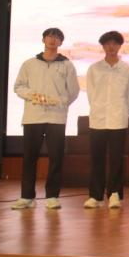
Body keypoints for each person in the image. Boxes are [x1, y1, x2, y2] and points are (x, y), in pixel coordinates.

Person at [11, 27, 80, 210]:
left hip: (56, 118)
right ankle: (27, 196)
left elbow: (73, 91)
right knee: (29, 158)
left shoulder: (67, 65)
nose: (52, 40)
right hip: (33, 117)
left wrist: (59, 102)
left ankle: (52, 196)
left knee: (56, 158)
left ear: (61, 42)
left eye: (56, 37)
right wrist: (33, 95)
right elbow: (18, 87)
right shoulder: (29, 64)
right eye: (49, 36)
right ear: (43, 40)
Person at [85, 30, 129, 209]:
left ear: (120, 46)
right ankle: (96, 196)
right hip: (98, 119)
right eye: (107, 43)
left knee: (116, 159)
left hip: (118, 119)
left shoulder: (128, 69)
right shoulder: (94, 68)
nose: (111, 47)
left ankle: (115, 194)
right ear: (103, 46)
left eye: (115, 43)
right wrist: (97, 109)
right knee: (96, 159)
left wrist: (122, 112)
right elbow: (91, 94)